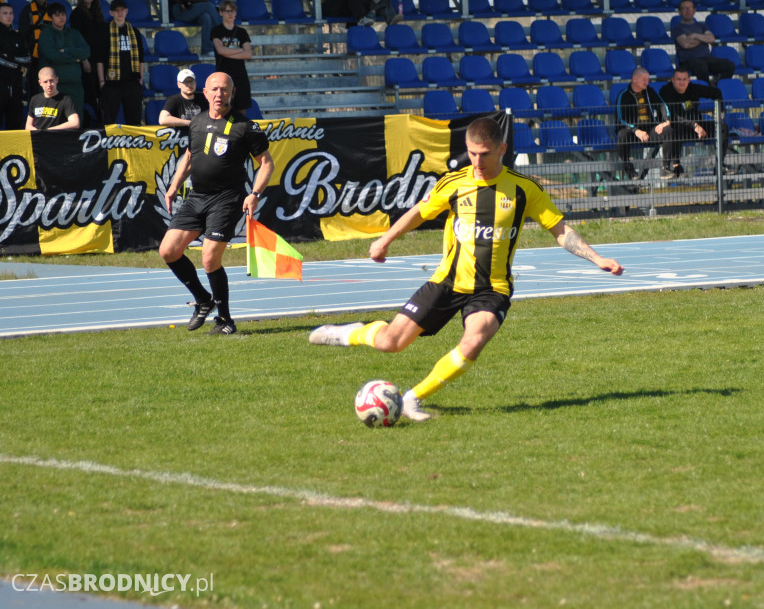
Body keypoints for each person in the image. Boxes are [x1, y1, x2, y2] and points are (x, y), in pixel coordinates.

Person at [307, 117, 625, 422]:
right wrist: (385, 240)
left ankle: (411, 398)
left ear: (501, 149)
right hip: (447, 281)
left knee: (474, 340)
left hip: (492, 288)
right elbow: (419, 212)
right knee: (391, 342)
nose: (477, 160)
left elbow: (559, 229)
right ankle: (348, 332)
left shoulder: (523, 189)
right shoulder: (454, 183)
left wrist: (597, 259)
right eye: (472, 152)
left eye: (484, 153)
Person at [158, 72, 273, 335]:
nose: (219, 94)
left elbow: (267, 163)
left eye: (224, 90)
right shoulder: (196, 122)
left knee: (210, 258)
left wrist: (254, 193)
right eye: (214, 89)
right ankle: (203, 299)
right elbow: (189, 155)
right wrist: (174, 186)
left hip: (227, 198)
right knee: (168, 251)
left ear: (232, 93)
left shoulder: (246, 126)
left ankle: (225, 321)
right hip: (197, 197)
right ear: (205, 93)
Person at [658, 66, 724, 179]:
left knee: (722, 128)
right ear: (672, 80)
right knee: (673, 129)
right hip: (679, 129)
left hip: (697, 129)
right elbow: (673, 116)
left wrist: (720, 113)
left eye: (684, 79)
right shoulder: (665, 91)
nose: (682, 82)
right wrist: (694, 125)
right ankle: (674, 166)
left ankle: (720, 165)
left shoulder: (693, 88)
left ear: (689, 80)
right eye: (678, 79)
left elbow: (716, 92)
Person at [614, 67, 671, 179]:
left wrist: (666, 121)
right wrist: (636, 131)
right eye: (643, 79)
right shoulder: (624, 95)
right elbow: (621, 119)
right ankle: (629, 168)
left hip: (650, 129)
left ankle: (666, 168)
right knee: (622, 135)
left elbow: (662, 105)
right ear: (634, 79)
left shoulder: (650, 91)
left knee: (669, 131)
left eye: (648, 79)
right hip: (632, 131)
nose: (647, 82)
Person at [37, 2, 90, 119]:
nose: (61, 18)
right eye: (57, 15)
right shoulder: (46, 33)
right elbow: (52, 55)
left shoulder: (74, 33)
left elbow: (86, 51)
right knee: (54, 119)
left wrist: (66, 50)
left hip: (75, 84)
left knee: (76, 117)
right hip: (54, 86)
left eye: (63, 14)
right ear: (50, 18)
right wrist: (75, 59)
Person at [96, 0, 145, 126]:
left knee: (134, 120)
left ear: (126, 11)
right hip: (112, 82)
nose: (119, 13)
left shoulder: (134, 32)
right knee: (108, 119)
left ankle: (134, 145)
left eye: (122, 10)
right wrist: (102, 81)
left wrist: (140, 79)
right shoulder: (104, 31)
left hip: (132, 81)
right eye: (116, 11)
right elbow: (100, 59)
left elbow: (141, 59)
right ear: (111, 13)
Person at [669, 0, 735, 83]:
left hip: (706, 58)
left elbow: (711, 39)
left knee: (729, 65)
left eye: (690, 8)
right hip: (688, 60)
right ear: (679, 12)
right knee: (701, 66)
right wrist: (703, 39)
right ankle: (707, 91)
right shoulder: (677, 28)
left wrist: (694, 35)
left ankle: (716, 85)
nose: (687, 10)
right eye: (684, 8)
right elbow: (685, 44)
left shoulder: (701, 26)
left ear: (694, 10)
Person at [69, 0, 106, 125]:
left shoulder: (98, 13)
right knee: (89, 93)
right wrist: (83, 60)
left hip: (100, 60)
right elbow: (76, 39)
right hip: (86, 60)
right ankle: (87, 122)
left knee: (101, 92)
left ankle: (102, 123)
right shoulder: (76, 14)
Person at [210, 0, 252, 112]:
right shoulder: (216, 30)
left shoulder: (241, 32)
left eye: (232, 11)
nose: (230, 14)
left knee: (241, 108)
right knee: (224, 107)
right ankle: (226, 130)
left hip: (240, 75)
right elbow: (220, 50)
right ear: (221, 13)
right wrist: (239, 50)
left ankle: (239, 129)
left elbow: (248, 53)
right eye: (227, 11)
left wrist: (228, 52)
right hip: (223, 75)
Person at [0, 2, 30, 130]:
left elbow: (28, 58)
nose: (9, 16)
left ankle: (14, 151)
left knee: (15, 124)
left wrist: (9, 58)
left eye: (11, 13)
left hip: (16, 86)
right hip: (1, 85)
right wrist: (17, 66)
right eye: (5, 13)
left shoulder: (18, 35)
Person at [18, 0, 51, 95]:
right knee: (34, 86)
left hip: (49, 54)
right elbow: (22, 34)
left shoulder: (51, 10)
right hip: (33, 55)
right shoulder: (26, 11)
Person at [25, 66, 80, 131]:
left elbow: (75, 123)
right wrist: (35, 131)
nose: (49, 85)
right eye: (45, 82)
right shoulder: (35, 99)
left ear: (56, 80)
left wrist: (48, 130)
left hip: (56, 139)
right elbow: (28, 126)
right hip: (38, 139)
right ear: (40, 83)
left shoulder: (65, 99)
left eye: (51, 80)